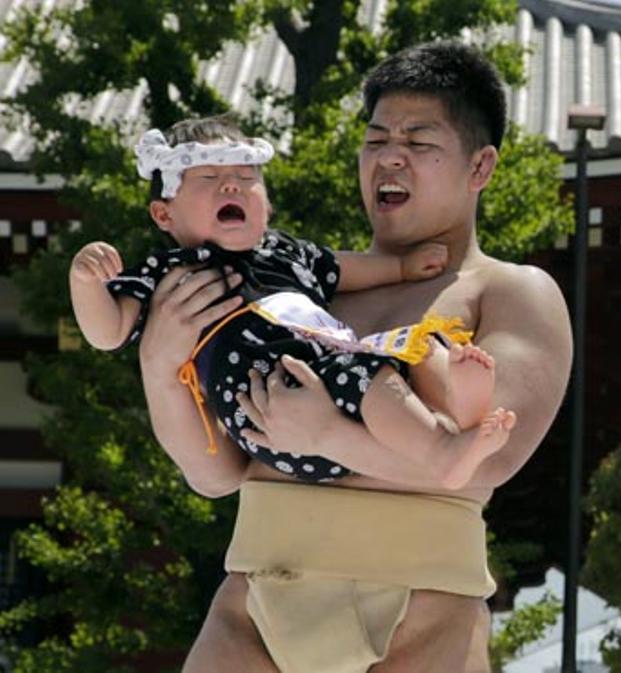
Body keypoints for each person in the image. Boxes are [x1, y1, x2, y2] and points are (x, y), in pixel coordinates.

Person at [133, 43, 571, 673]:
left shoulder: (509, 291)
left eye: (419, 143)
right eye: (375, 140)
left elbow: (484, 459)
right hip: (255, 600)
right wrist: (159, 364)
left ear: (481, 167)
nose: (390, 157)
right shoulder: (290, 285)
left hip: (421, 610)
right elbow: (216, 473)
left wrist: (330, 436)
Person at [70, 119, 516, 491]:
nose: (232, 185)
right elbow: (108, 332)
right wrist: (86, 282)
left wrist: (399, 267)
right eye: (209, 178)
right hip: (271, 401)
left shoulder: (285, 251)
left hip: (328, 370)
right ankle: (442, 450)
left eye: (247, 179)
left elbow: (339, 268)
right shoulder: (171, 272)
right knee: (367, 374)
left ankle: (456, 414)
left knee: (412, 348)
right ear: (164, 215)